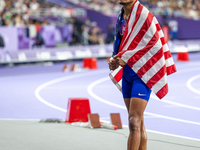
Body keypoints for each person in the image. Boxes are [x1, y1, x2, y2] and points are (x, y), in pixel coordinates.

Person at [108, 0, 176, 150]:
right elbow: (123, 44)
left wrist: (127, 57)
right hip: (127, 73)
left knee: (134, 121)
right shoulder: (121, 17)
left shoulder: (145, 16)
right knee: (139, 122)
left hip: (142, 73)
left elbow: (155, 45)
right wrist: (115, 59)